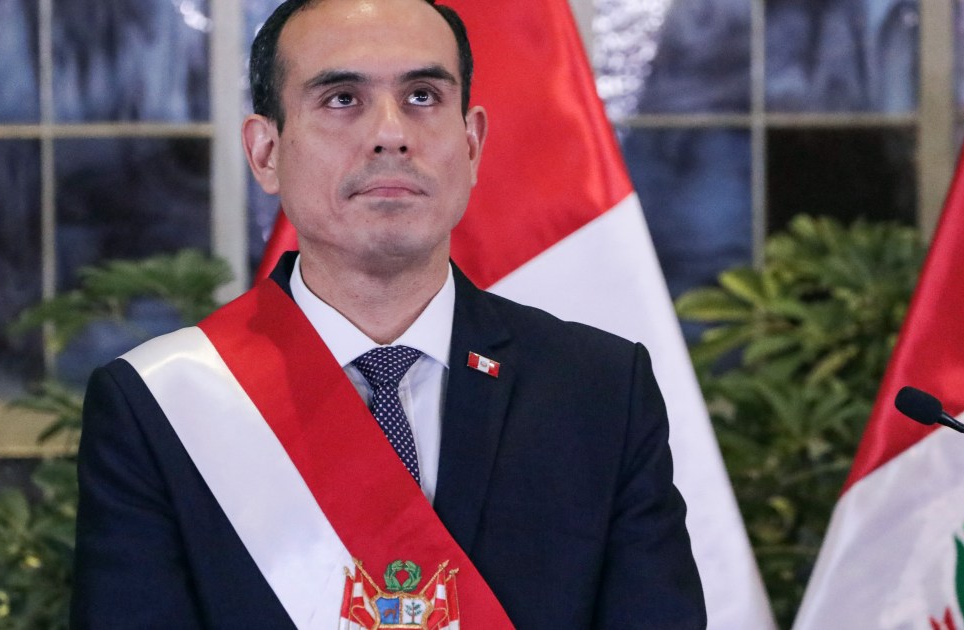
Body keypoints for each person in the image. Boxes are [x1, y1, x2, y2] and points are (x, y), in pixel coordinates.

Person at [70, 0, 706, 627]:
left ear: (472, 143)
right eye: (342, 98)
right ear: (266, 153)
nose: (390, 134)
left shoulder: (599, 389)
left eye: (423, 96)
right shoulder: (160, 405)